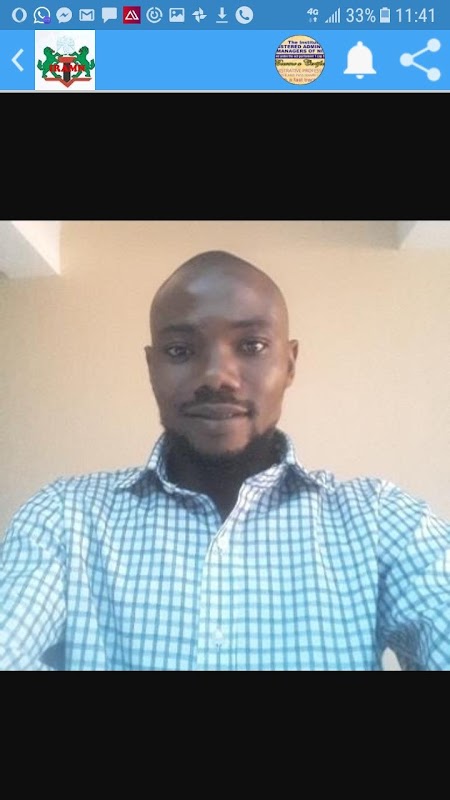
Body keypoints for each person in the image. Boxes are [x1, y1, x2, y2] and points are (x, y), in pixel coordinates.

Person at [1, 250, 449, 671]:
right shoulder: (64, 519)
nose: (216, 376)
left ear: (290, 363)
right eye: (180, 350)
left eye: (251, 345)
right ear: (152, 367)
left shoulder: (380, 521)